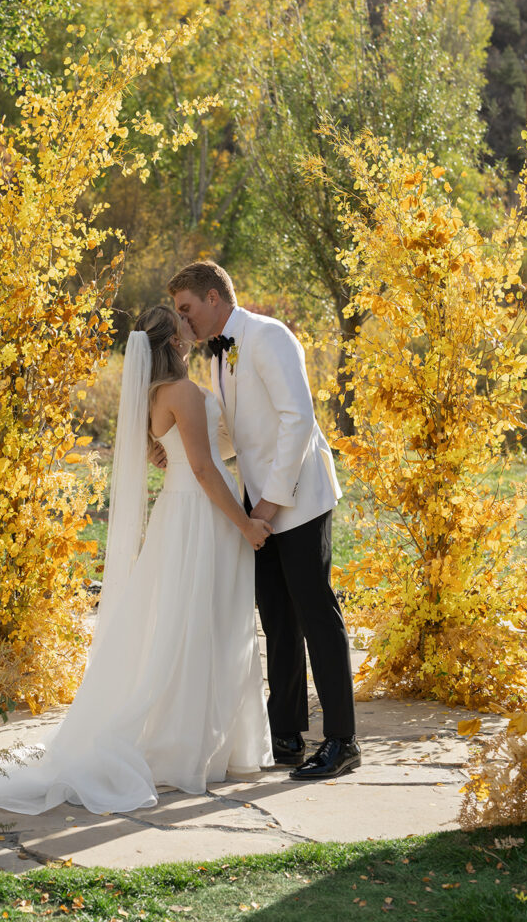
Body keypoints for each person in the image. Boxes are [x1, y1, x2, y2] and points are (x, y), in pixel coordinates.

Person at [0, 306, 273, 816]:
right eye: (184, 321)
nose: (192, 324)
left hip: (182, 512)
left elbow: (182, 455)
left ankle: (198, 742)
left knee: (190, 622)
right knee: (206, 623)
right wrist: (245, 524)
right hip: (202, 513)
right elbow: (204, 470)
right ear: (175, 342)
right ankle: (193, 749)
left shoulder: (156, 396)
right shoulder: (180, 392)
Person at [167, 261, 360, 781]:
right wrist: (187, 451)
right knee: (277, 618)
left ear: (213, 297)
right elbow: (237, 432)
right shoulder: (218, 357)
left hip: (298, 498)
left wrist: (270, 503)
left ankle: (342, 740)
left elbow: (299, 419)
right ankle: (288, 734)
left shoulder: (269, 336)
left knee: (316, 612)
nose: (183, 322)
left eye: (187, 309)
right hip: (261, 503)